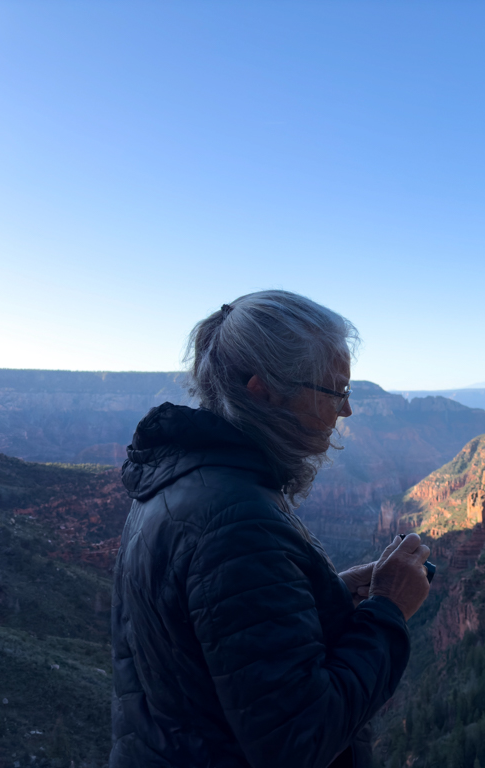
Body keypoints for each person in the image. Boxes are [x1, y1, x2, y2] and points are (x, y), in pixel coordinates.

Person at [110, 290, 430, 767]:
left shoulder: (180, 484)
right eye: (335, 390)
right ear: (262, 389)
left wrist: (326, 594)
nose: (346, 411)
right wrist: (387, 610)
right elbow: (300, 741)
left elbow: (220, 636)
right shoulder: (236, 522)